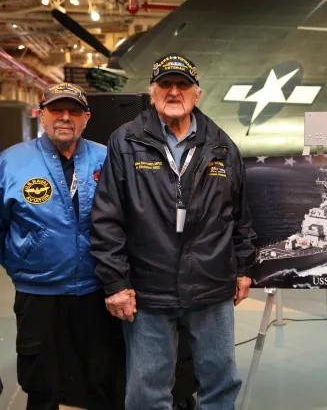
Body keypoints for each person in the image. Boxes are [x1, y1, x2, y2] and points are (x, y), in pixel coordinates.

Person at [89, 53, 256, 410]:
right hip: (148, 288)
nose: (174, 91)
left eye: (183, 85)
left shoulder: (222, 145)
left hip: (211, 285)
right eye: (166, 84)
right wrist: (116, 283)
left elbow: (239, 215)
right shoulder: (126, 141)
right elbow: (107, 217)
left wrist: (244, 268)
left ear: (198, 93)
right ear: (152, 92)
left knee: (221, 381)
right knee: (147, 389)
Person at [0, 83, 124, 410]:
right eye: (56, 110)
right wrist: (22, 261)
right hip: (38, 292)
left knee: (103, 379)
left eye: (74, 111)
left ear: (87, 117)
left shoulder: (107, 158)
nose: (65, 117)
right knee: (41, 383)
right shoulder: (11, 163)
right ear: (42, 114)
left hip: (96, 291)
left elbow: (126, 221)